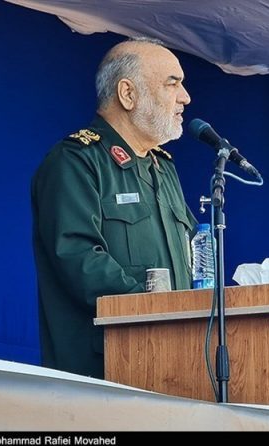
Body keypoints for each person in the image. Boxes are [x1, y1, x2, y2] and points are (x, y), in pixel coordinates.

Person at [31, 38, 197, 379]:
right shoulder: (76, 161)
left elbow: (191, 255)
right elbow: (77, 256)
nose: (185, 97)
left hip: (174, 358)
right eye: (173, 84)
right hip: (104, 368)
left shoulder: (162, 168)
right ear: (128, 94)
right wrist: (158, 310)